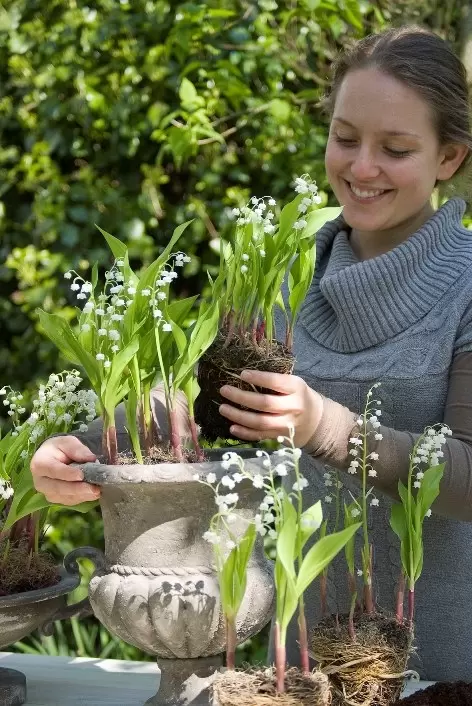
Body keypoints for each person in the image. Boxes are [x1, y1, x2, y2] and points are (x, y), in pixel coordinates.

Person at [31, 26, 472, 681]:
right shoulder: (286, 277)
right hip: (294, 673)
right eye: (344, 138)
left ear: (450, 158)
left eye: (396, 148)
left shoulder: (466, 286)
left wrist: (324, 426)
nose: (361, 166)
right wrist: (86, 451)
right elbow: (198, 405)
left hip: (439, 673)